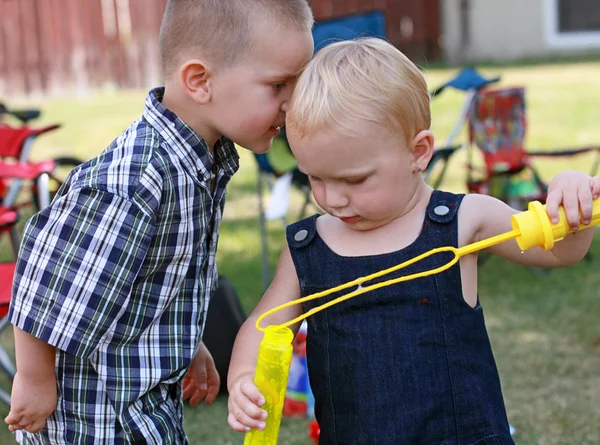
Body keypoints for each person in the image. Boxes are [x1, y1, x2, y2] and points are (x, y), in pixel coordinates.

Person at [226, 38, 600, 444]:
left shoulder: (464, 220)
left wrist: (573, 200)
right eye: (315, 177)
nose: (332, 198)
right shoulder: (308, 250)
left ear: (418, 152)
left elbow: (559, 250)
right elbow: (262, 326)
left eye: (354, 179)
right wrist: (244, 376)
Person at [5, 0, 314, 443]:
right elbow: (44, 279)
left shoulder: (202, 162)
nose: (293, 102)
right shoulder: (137, 181)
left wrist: (185, 343)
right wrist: (34, 380)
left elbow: (150, 278)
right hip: (96, 421)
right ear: (199, 81)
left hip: (143, 406)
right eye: (279, 84)